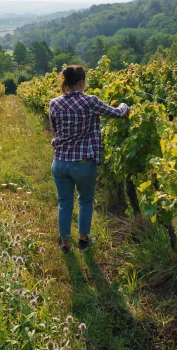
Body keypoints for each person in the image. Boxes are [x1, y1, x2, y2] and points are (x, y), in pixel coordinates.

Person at [49, 65, 129, 254]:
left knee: (64, 202)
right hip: (84, 163)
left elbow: (54, 129)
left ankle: (64, 244)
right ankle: (83, 241)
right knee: (85, 201)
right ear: (82, 82)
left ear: (66, 83)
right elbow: (117, 113)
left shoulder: (54, 103)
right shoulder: (89, 102)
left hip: (60, 161)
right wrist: (125, 105)